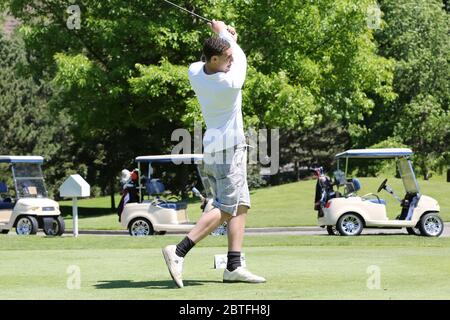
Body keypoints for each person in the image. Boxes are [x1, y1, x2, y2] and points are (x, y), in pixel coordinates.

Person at [162, 20, 266, 288]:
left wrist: (222, 37)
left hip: (220, 148)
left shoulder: (195, 71)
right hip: (227, 150)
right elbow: (238, 54)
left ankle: (234, 266)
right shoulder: (230, 82)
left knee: (241, 205)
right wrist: (222, 31)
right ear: (216, 58)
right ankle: (179, 251)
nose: (231, 61)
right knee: (226, 207)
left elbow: (214, 55)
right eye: (226, 58)